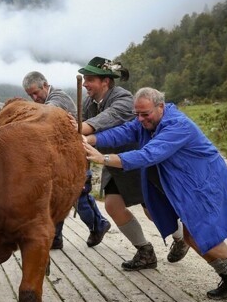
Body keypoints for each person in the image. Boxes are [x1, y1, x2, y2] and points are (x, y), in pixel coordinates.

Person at [82, 87, 227, 299]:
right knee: (190, 236)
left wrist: (103, 159)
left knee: (200, 234)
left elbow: (148, 155)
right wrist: (88, 140)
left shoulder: (177, 126)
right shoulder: (146, 121)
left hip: (204, 182)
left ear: (160, 107)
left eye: (145, 114)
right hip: (184, 183)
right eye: (137, 114)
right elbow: (123, 132)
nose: (141, 119)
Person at [78, 57, 188, 270]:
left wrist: (73, 130)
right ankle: (145, 251)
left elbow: (98, 123)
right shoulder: (90, 102)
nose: (84, 84)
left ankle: (180, 238)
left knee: (152, 209)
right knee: (112, 205)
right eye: (84, 79)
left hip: (134, 162)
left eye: (89, 79)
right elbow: (79, 121)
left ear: (105, 82)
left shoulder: (124, 99)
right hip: (112, 164)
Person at [22, 71, 110, 248]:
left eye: (36, 93)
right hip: (62, 156)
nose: (34, 97)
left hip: (77, 153)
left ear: (45, 85)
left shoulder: (57, 98)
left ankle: (99, 224)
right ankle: (56, 237)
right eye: (30, 95)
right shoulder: (47, 99)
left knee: (80, 194)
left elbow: (45, 114)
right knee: (58, 195)